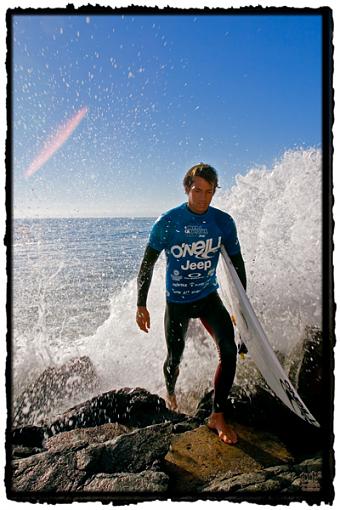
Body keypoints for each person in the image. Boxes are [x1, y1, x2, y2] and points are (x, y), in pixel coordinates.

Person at [136, 163, 247, 445]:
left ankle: (217, 415)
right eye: (198, 190)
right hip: (178, 302)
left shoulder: (223, 222)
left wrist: (240, 309)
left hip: (208, 296)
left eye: (209, 192)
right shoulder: (168, 222)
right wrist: (141, 304)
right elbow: (147, 265)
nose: (203, 198)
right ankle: (171, 392)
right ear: (188, 188)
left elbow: (237, 264)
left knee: (228, 350)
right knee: (175, 357)